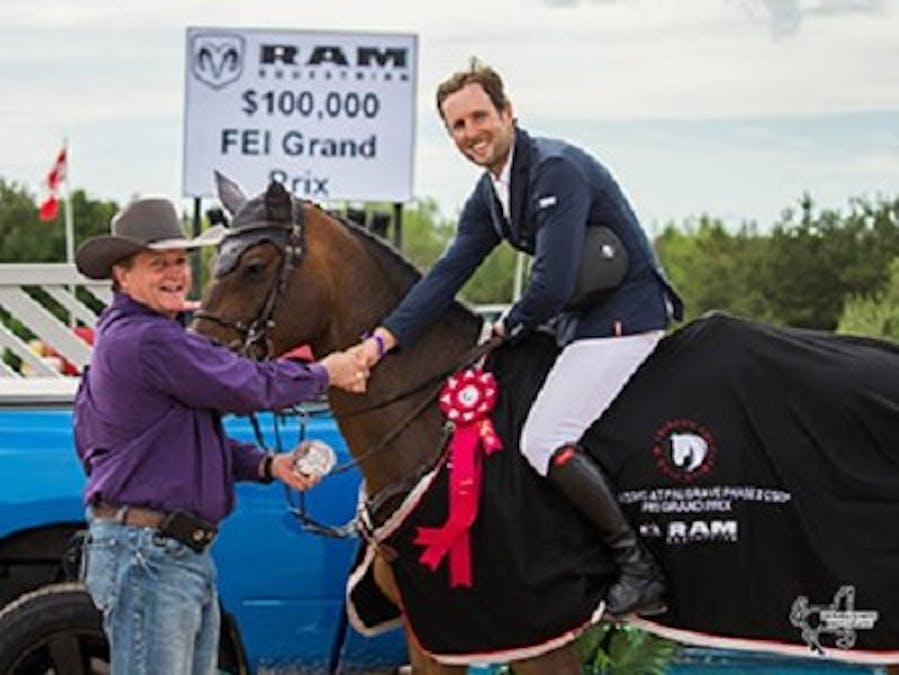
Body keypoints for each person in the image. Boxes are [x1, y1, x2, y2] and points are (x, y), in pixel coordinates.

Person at [350, 60, 683, 617]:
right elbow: (447, 275)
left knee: (544, 438)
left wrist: (506, 326)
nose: (472, 133)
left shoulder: (555, 170)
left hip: (622, 318)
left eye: (480, 117)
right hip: (576, 323)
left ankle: (637, 568)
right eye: (458, 126)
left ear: (507, 113)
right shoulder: (493, 193)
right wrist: (380, 343)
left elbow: (551, 284)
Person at [73, 197, 369, 674]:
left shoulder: (126, 337)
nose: (176, 274)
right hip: (153, 555)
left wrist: (267, 465)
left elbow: (176, 440)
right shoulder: (151, 340)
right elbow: (246, 384)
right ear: (121, 275)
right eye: (158, 264)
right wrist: (326, 373)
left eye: (179, 261)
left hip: (161, 551)